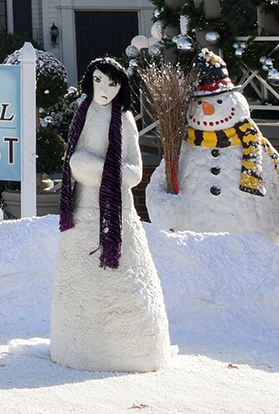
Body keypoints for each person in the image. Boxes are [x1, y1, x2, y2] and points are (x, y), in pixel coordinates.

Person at [50, 57, 171, 373]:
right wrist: (105, 171)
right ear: (89, 81)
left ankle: (129, 347)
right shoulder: (83, 114)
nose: (105, 89)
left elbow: (133, 172)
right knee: (81, 283)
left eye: (112, 83)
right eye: (99, 81)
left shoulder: (126, 120)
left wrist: (101, 170)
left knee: (123, 283)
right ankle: (78, 344)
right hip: (83, 211)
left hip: (119, 215)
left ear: (122, 86)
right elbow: (74, 162)